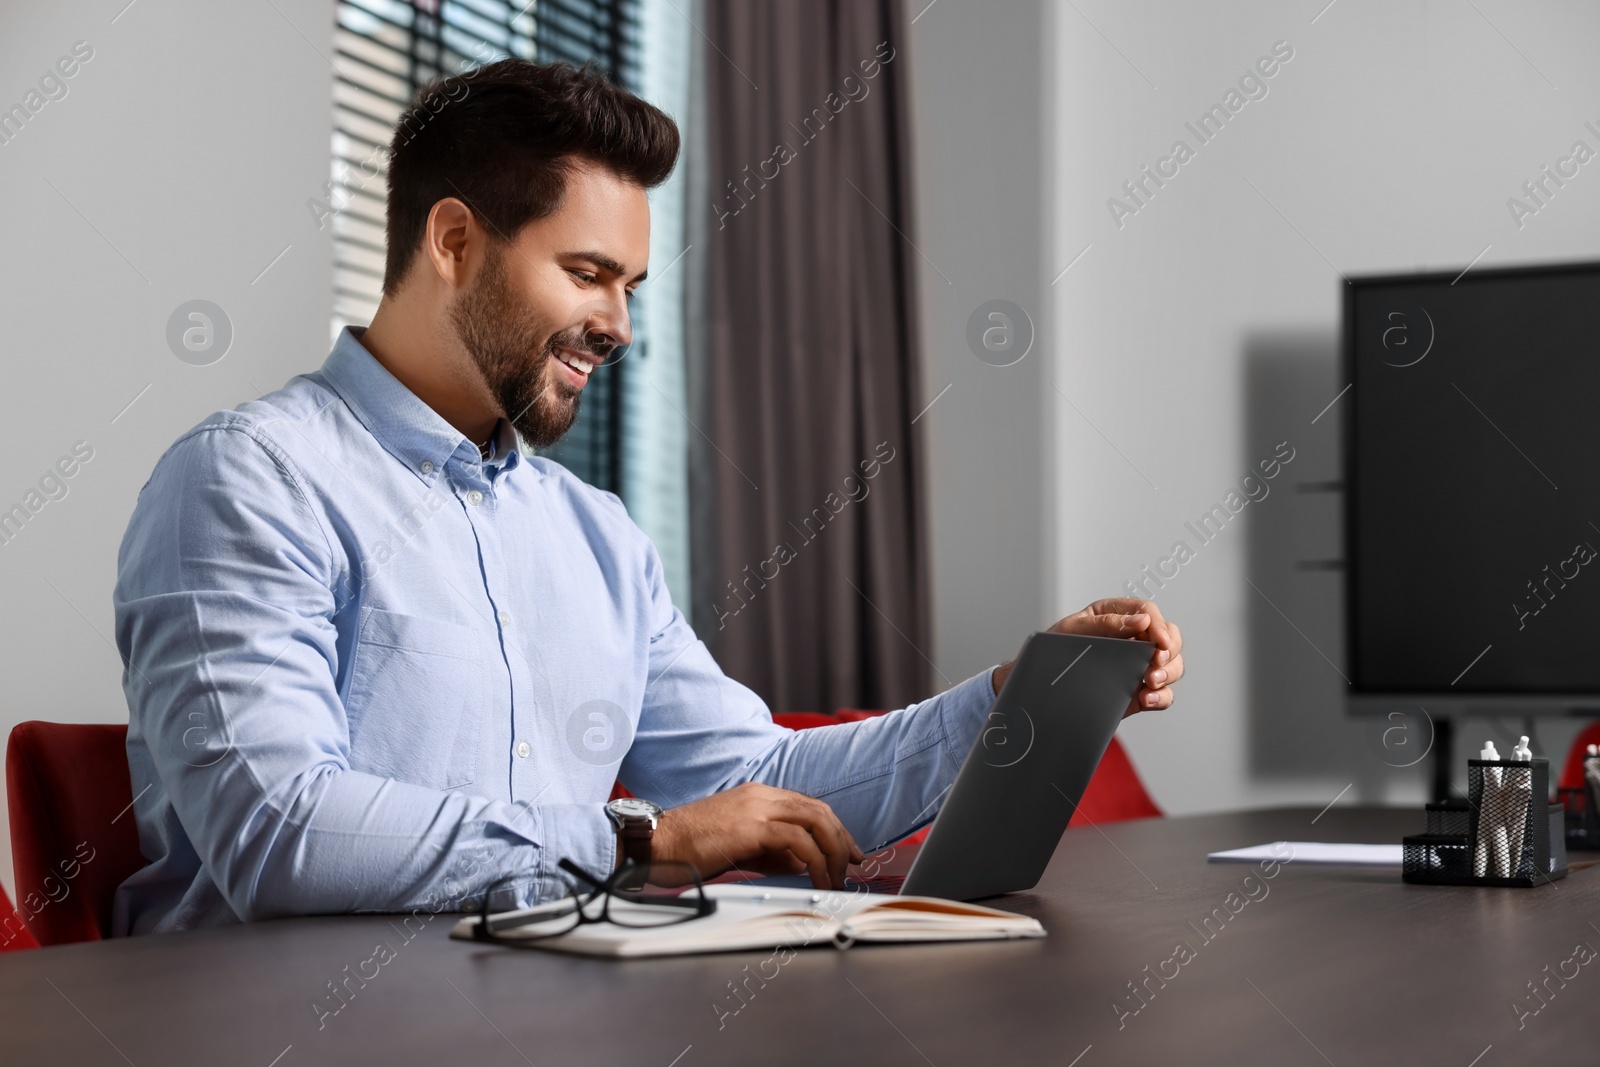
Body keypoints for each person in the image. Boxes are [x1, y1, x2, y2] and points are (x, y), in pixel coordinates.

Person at [112, 59, 1183, 935]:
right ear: (452, 242)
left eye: (629, 285)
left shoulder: (594, 534)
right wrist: (640, 840)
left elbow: (761, 783)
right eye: (587, 273)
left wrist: (1010, 698)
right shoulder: (249, 479)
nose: (619, 323)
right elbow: (278, 832)